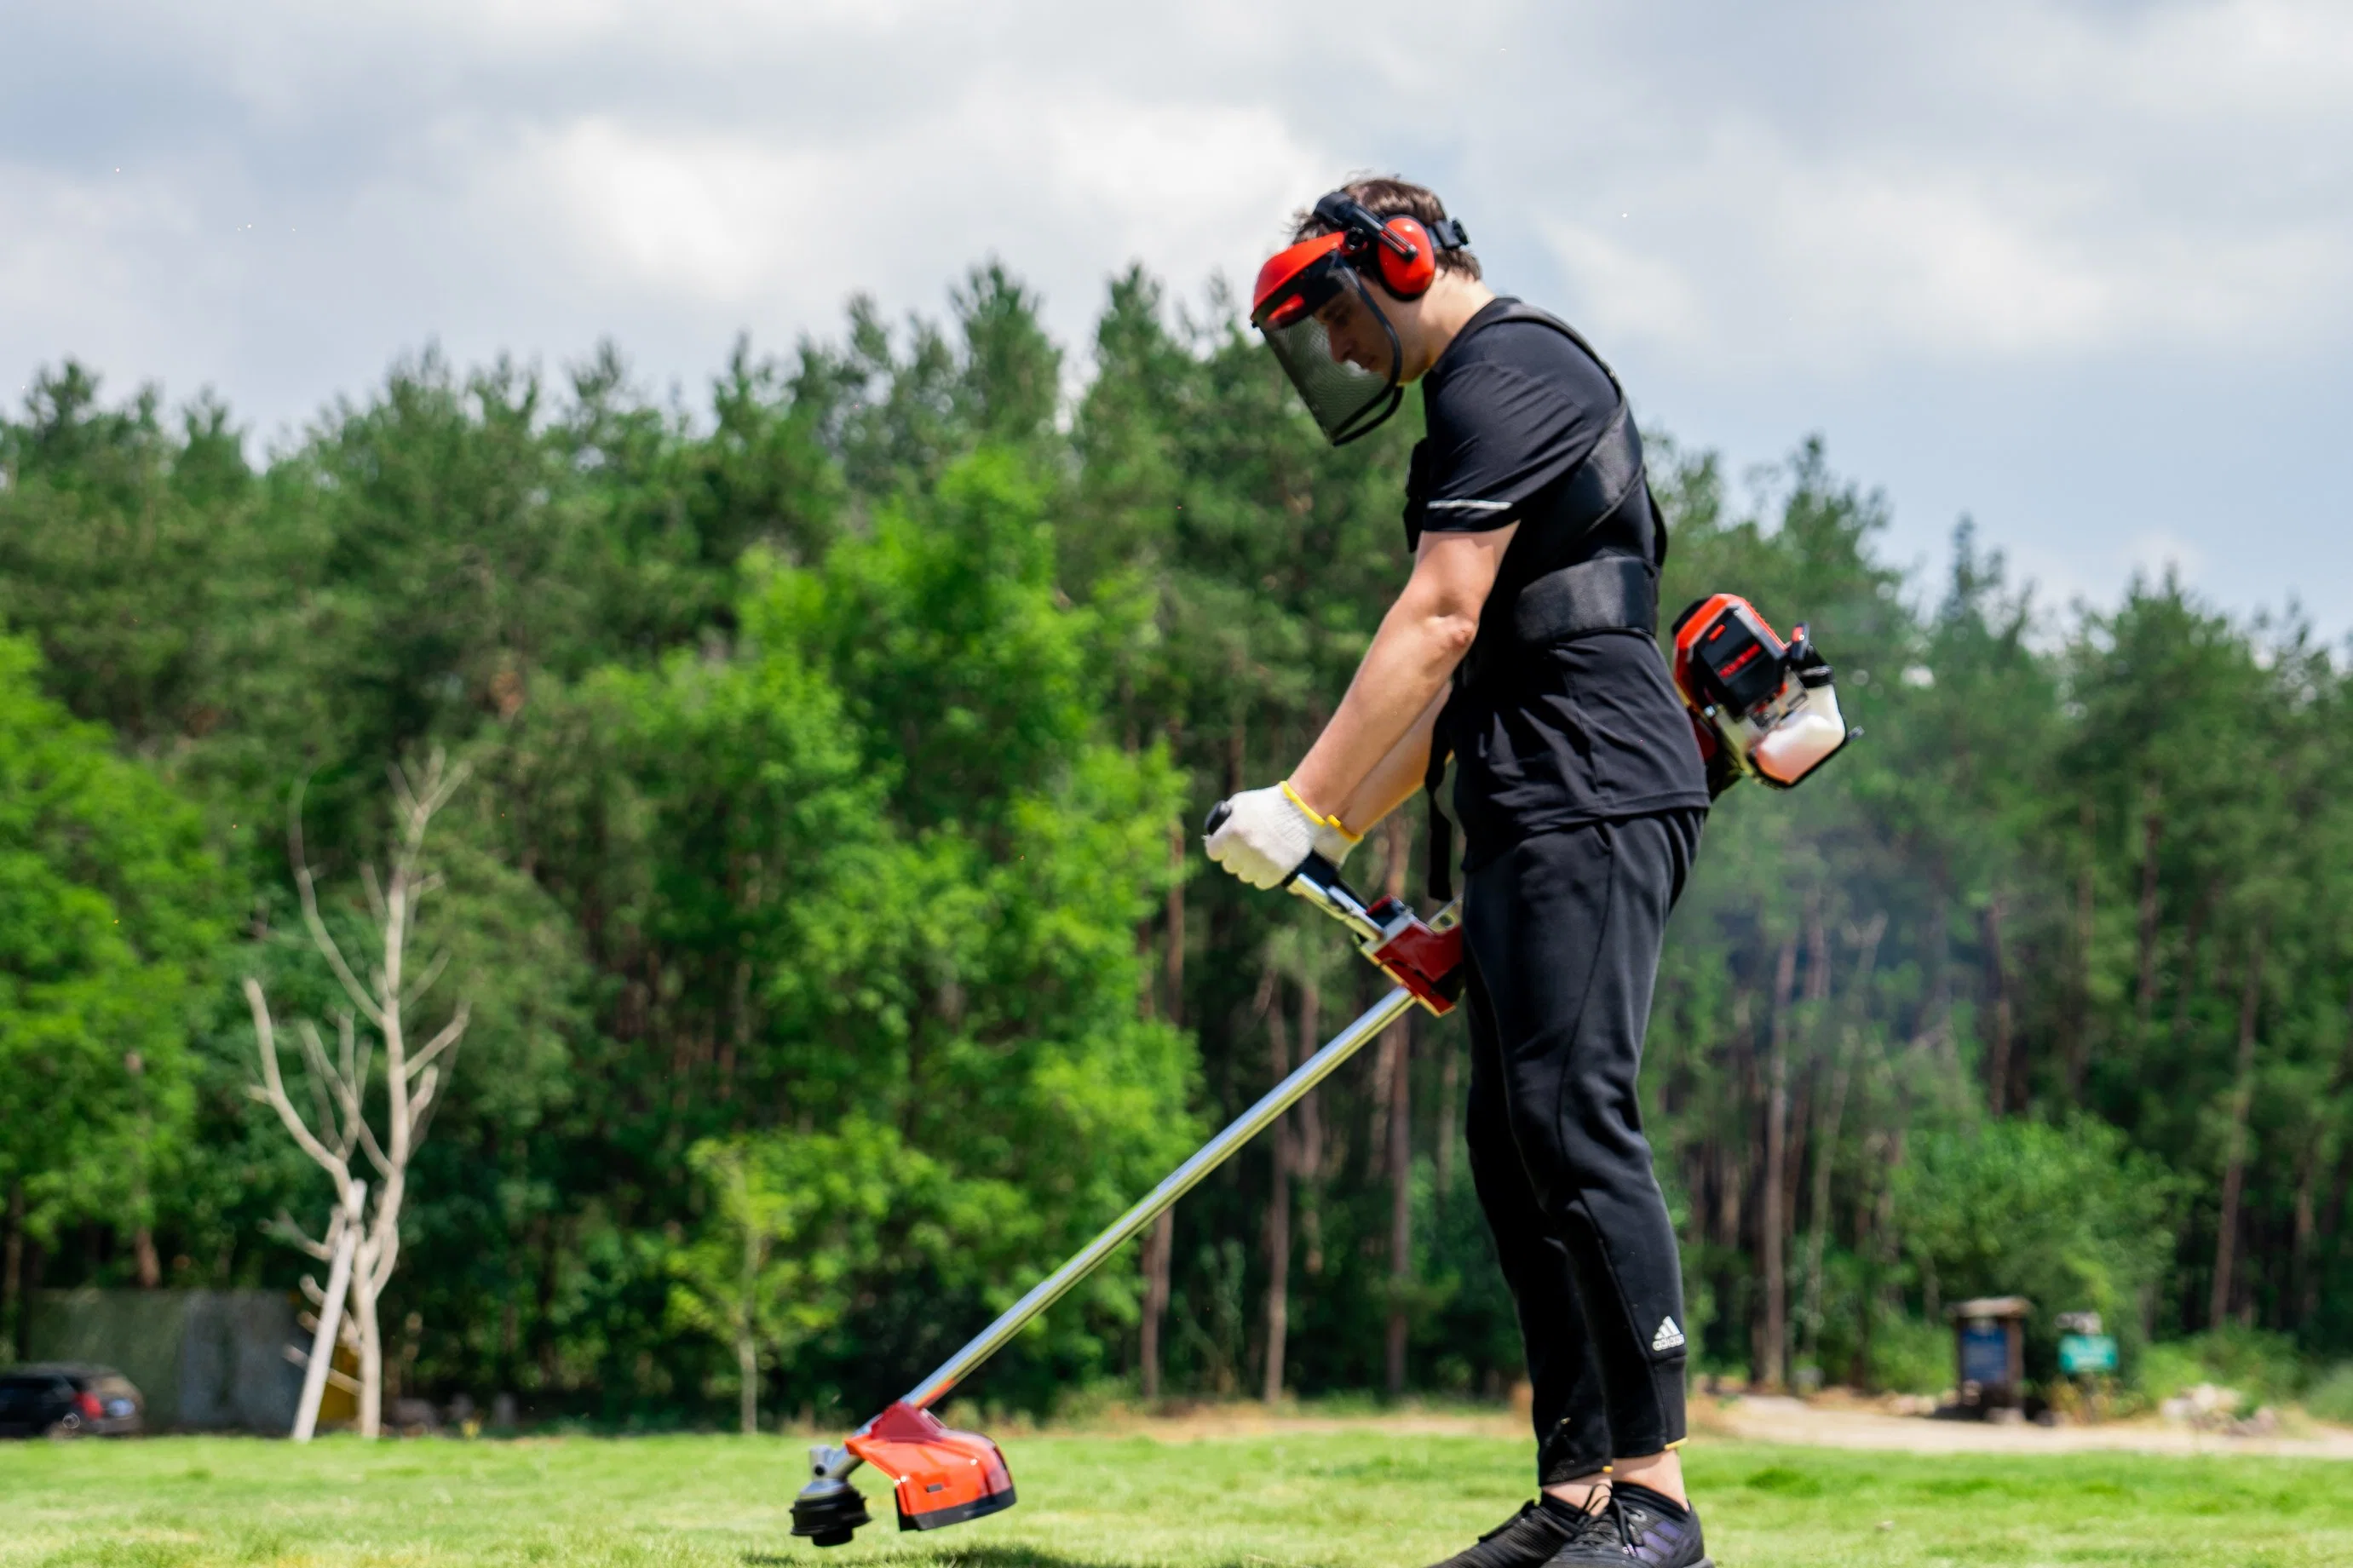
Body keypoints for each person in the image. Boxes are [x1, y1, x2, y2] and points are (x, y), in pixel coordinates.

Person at [1204, 178, 1714, 1568]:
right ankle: (1579, 1499)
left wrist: (1306, 791)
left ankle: (1654, 1502)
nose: (1342, 353)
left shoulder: (1513, 370)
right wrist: (1332, 828)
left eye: (1339, 317)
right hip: (1521, 798)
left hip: (1594, 793)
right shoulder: (1466, 405)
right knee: (1512, 1150)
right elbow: (1451, 678)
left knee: (1570, 1122)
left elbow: (1433, 623)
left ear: (1405, 260)